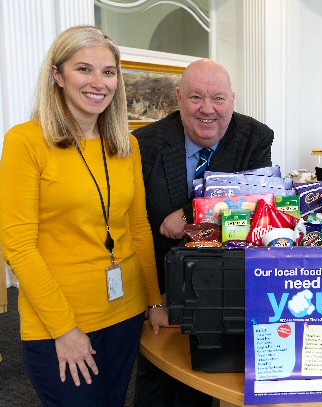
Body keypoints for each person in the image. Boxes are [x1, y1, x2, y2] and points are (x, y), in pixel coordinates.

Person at [0, 26, 168, 406]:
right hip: (61, 321)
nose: (99, 82)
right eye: (84, 69)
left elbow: (138, 229)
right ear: (57, 75)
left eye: (109, 72)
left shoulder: (126, 145)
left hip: (124, 313)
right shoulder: (26, 141)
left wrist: (154, 301)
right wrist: (64, 330)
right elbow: (19, 246)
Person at [133, 59, 274, 407]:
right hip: (161, 279)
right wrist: (155, 297)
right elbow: (137, 222)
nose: (207, 109)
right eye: (196, 97)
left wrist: (188, 213)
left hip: (222, 280)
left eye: (218, 98)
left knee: (203, 381)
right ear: (179, 98)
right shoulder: (145, 144)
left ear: (233, 100)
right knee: (156, 378)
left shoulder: (255, 137)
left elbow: (256, 204)